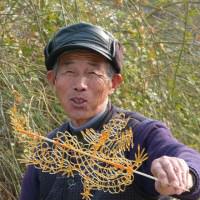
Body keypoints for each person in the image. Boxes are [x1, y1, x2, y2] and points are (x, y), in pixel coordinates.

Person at [19, 22, 200, 200]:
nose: (80, 85)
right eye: (69, 72)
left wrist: (183, 172)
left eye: (93, 73)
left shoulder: (138, 134)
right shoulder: (45, 152)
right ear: (53, 80)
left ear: (113, 83)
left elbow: (186, 157)